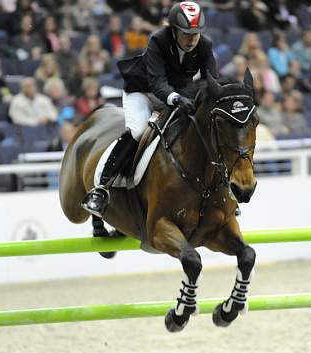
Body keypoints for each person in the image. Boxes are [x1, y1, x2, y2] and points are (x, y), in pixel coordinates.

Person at [82, 1, 217, 218]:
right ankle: (101, 188)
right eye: (186, 33)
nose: (192, 39)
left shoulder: (205, 45)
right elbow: (157, 83)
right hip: (143, 92)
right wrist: (177, 98)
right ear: (173, 30)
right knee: (138, 131)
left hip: (176, 93)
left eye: (196, 33)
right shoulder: (158, 40)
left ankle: (218, 191)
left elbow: (212, 80)